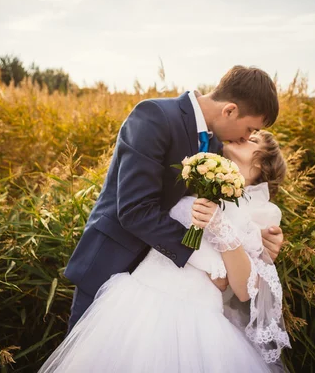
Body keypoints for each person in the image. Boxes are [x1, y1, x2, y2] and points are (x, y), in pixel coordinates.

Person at [39, 130, 291, 372]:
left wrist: (220, 227)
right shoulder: (199, 177)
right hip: (138, 299)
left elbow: (245, 290)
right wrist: (204, 262)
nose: (243, 137)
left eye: (253, 139)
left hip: (196, 316)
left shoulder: (259, 212)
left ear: (263, 166)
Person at [63, 65, 285, 334]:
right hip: (111, 264)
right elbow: (135, 210)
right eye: (249, 128)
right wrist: (203, 259)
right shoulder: (154, 116)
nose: (248, 138)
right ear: (229, 110)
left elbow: (221, 210)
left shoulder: (220, 147)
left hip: (170, 293)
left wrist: (257, 241)